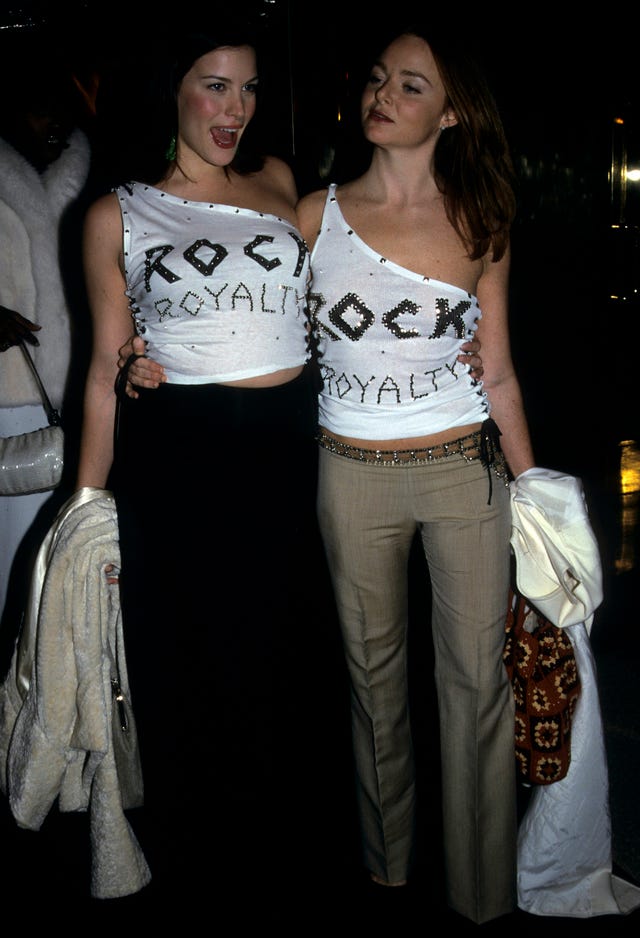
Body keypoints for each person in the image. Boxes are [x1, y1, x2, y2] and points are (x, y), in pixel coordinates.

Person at [73, 23, 353, 903]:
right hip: (181, 456)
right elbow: (102, 369)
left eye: (250, 88)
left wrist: (454, 341)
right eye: (216, 86)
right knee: (188, 660)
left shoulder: (279, 184)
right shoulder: (116, 212)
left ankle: (289, 857)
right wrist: (84, 506)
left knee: (289, 654)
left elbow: (364, 280)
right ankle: (202, 864)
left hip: (283, 450)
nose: (236, 109)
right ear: (175, 90)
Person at [294, 24, 536, 925]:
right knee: (372, 679)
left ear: (453, 110)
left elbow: (500, 370)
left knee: (479, 685)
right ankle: (388, 874)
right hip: (349, 476)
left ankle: (483, 895)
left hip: (465, 474)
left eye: (410, 85)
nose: (382, 95)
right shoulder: (311, 216)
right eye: (377, 80)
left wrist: (537, 490)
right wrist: (145, 355)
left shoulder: (483, 215)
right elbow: (252, 337)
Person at [0, 36, 92, 637]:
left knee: (61, 562)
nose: (54, 120)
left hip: (78, 388)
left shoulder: (90, 177)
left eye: (61, 107)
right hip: (5, 393)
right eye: (40, 107)